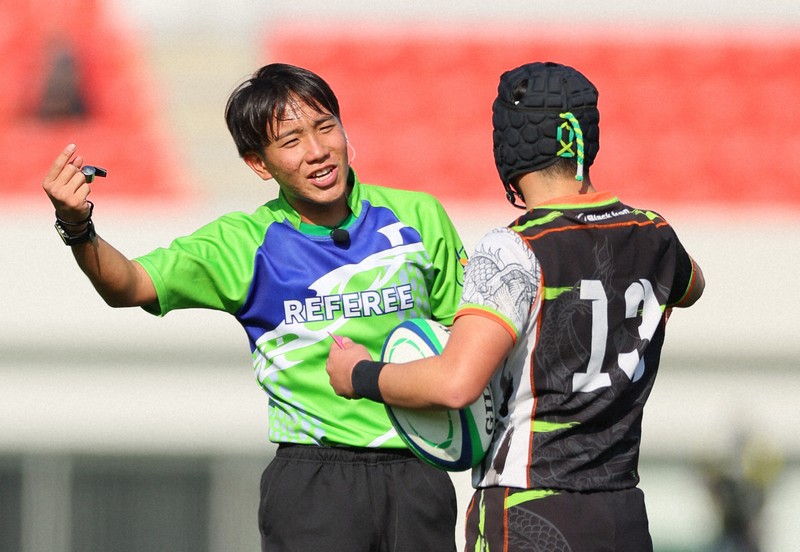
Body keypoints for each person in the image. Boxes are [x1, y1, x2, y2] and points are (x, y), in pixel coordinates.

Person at [42, 62, 468, 552]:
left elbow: (467, 335)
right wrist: (78, 227)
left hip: (420, 475)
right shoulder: (242, 243)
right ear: (259, 164)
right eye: (290, 141)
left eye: (326, 126)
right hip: (314, 482)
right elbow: (129, 284)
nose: (317, 151)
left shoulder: (419, 216)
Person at [326, 61, 705, 551]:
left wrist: (360, 375)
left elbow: (455, 383)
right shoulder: (655, 233)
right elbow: (692, 286)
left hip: (531, 507)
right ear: (586, 139)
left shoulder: (513, 248)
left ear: (507, 145)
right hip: (622, 512)